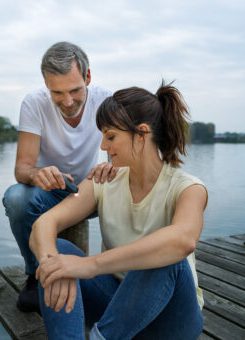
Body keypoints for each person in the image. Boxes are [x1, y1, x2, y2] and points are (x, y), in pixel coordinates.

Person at [31, 82, 208, 339]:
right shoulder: (103, 180)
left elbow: (183, 241)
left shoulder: (188, 188)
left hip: (172, 323)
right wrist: (56, 266)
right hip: (116, 308)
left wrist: (88, 265)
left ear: (142, 134)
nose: (103, 146)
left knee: (168, 257)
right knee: (57, 253)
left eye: (111, 136)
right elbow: (44, 224)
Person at [2, 42, 115, 313]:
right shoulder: (34, 103)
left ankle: (117, 274)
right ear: (45, 84)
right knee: (16, 197)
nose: (67, 102)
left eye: (75, 90)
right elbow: (22, 169)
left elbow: (120, 161)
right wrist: (38, 173)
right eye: (57, 92)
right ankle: (35, 274)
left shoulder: (106, 101)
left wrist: (110, 171)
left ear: (88, 77)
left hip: (90, 192)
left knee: (129, 193)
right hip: (51, 193)